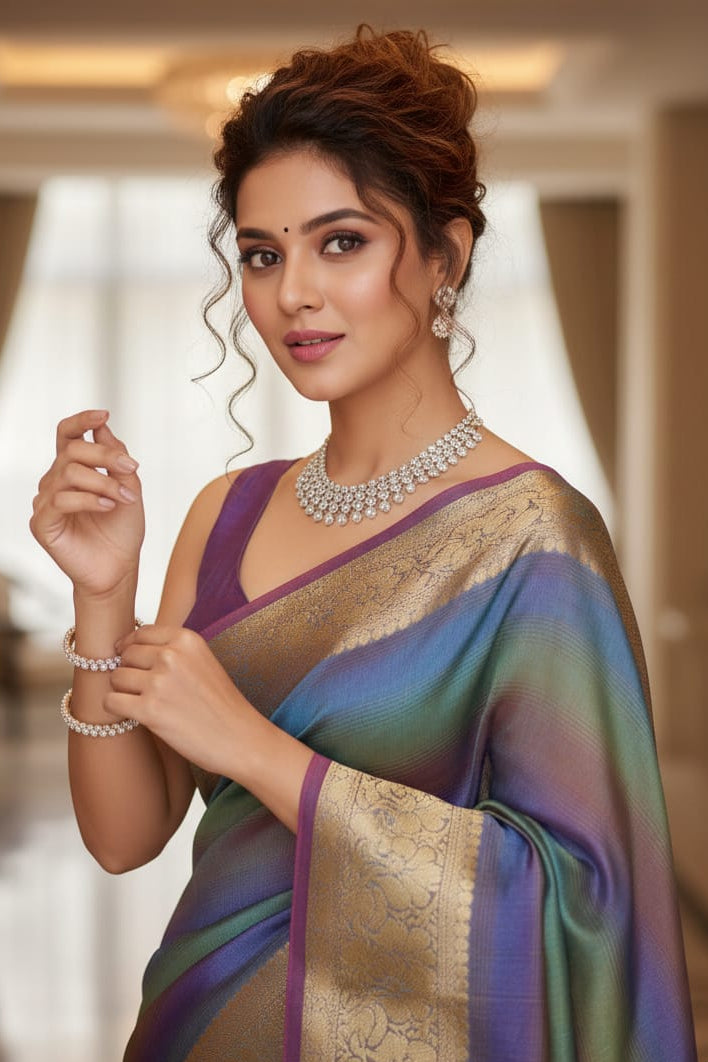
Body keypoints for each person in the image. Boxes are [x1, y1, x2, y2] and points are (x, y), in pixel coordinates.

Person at [30, 27, 696, 1062]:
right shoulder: (225, 513)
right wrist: (102, 598)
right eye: (262, 254)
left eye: (341, 241)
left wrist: (255, 749)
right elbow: (125, 839)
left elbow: (580, 902)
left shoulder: (534, 542)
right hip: (191, 1025)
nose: (293, 292)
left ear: (446, 254)